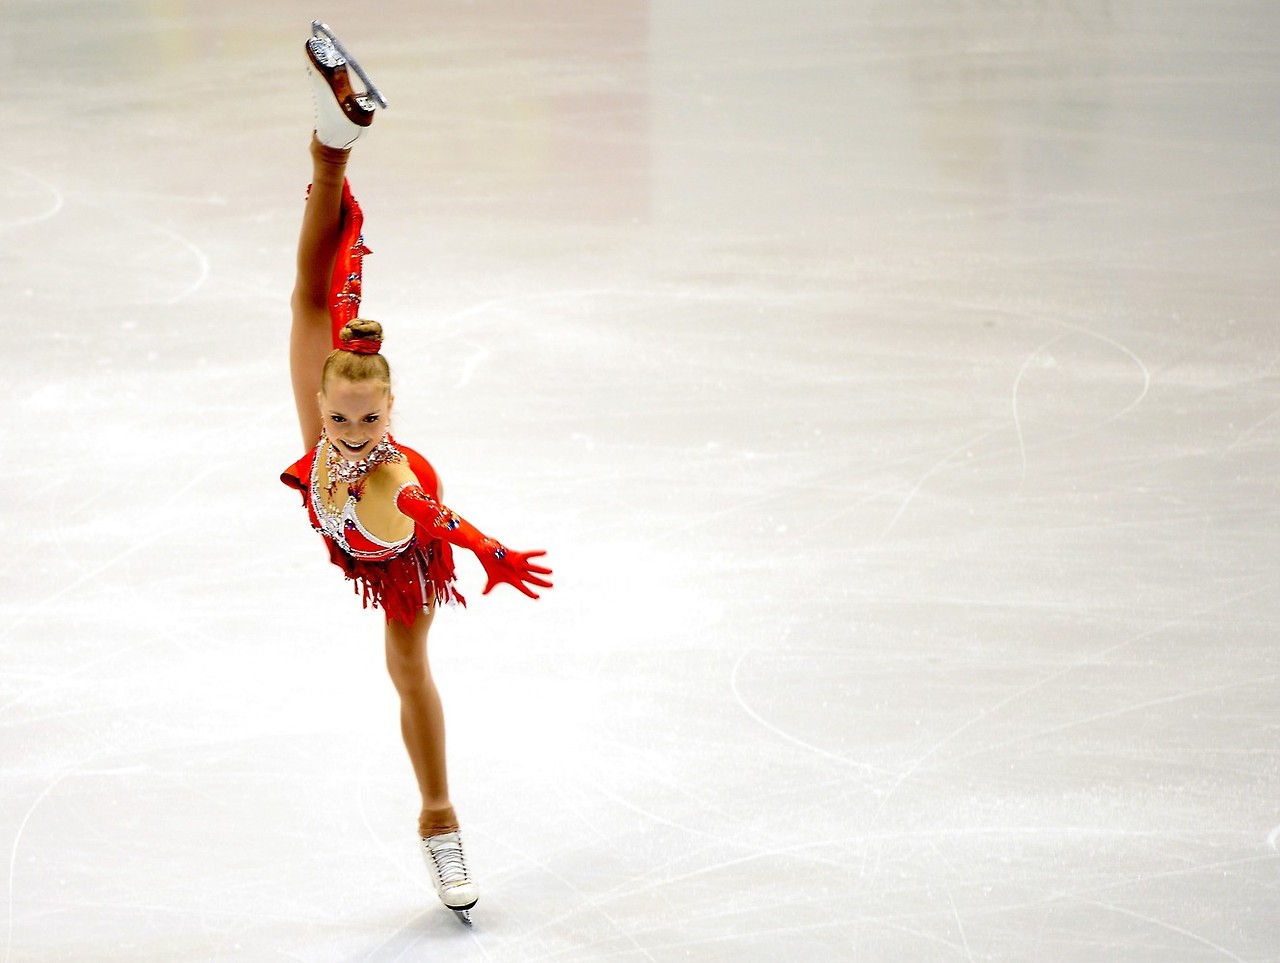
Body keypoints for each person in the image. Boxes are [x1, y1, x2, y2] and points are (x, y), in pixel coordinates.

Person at [280, 22, 552, 924]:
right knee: (310, 297)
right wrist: (326, 438)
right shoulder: (324, 427)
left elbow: (435, 518)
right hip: (343, 512)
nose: (353, 429)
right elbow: (318, 322)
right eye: (341, 416)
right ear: (326, 406)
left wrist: (490, 549)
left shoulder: (394, 480)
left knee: (408, 670)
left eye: (367, 418)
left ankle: (440, 822)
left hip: (397, 560)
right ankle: (334, 136)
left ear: (391, 413)